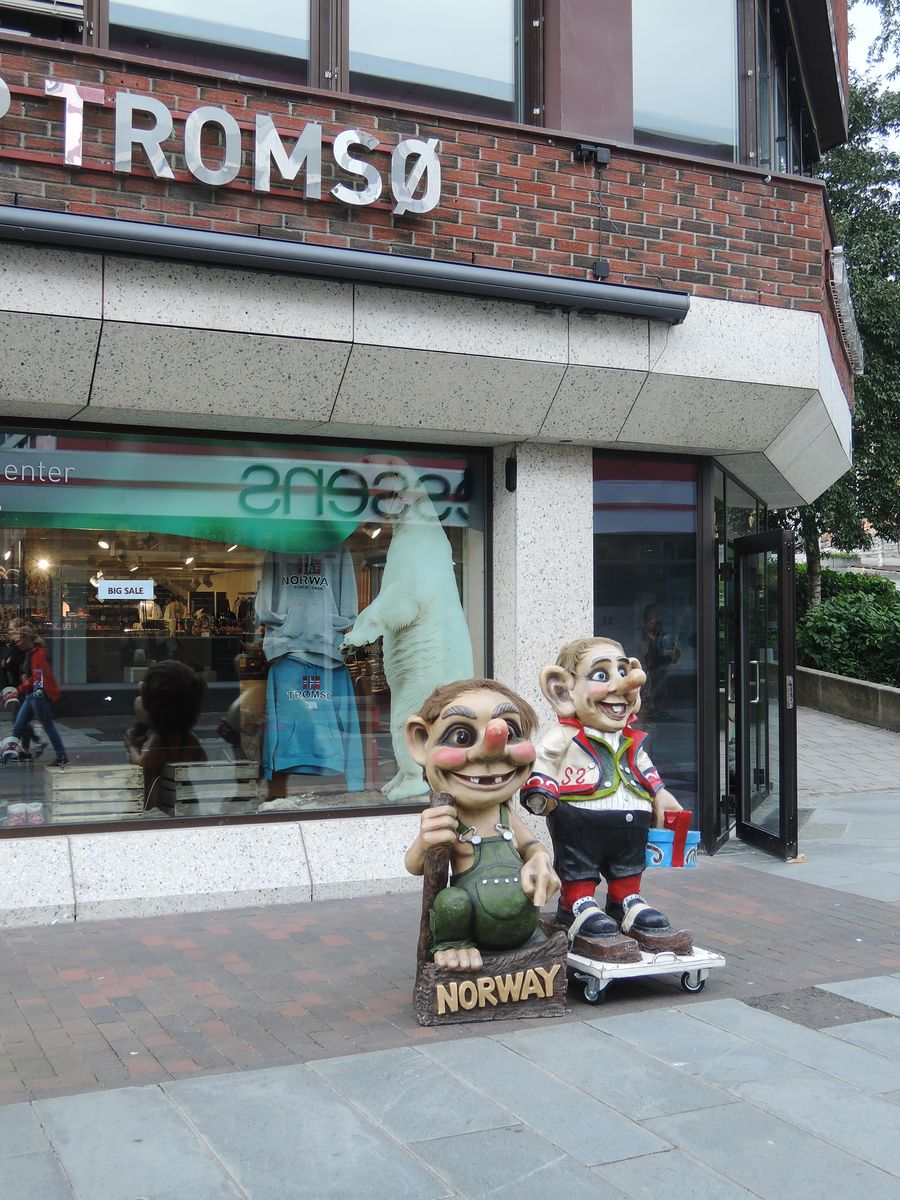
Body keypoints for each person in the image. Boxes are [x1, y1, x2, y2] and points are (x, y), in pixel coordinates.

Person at [521, 636, 690, 953]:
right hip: (579, 814)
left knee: (629, 861)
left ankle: (626, 899)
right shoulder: (565, 735)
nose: (622, 684)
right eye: (601, 675)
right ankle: (577, 902)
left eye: (624, 672)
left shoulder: (629, 739)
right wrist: (541, 790)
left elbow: (644, 767)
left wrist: (660, 794)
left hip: (631, 819)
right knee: (579, 863)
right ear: (562, 690)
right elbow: (544, 760)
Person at [404, 677, 559, 971]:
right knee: (451, 900)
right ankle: (453, 944)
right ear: (422, 741)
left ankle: (524, 949)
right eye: (462, 736)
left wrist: (540, 859)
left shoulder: (504, 813)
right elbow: (413, 865)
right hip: (472, 925)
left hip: (523, 927)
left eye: (510, 732)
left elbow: (530, 845)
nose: (493, 748)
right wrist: (425, 842)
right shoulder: (449, 817)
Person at [124, 660, 207, 807]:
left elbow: (142, 767)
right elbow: (202, 760)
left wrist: (132, 748)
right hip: (185, 796)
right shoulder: (188, 737)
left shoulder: (159, 741)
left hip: (163, 799)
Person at [2, 623, 67, 766]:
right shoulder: (30, 654)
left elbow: (38, 679)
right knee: (18, 724)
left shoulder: (37, 655)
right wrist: (20, 690)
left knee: (47, 726)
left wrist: (23, 691)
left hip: (37, 696)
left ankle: (62, 757)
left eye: (19, 640)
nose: (17, 643)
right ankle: (6, 755)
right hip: (31, 696)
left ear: (26, 639)